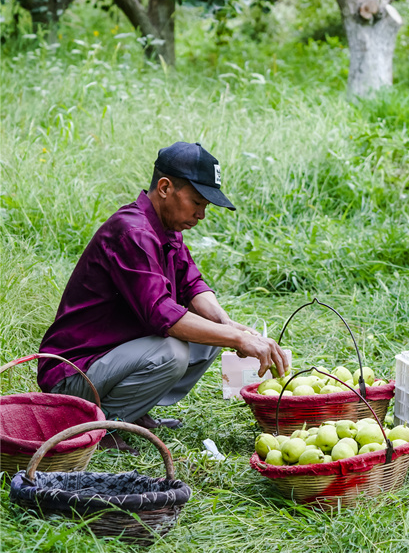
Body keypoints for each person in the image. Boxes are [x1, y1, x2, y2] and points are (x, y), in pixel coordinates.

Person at [37, 142, 289, 454]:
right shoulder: (132, 232)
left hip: (111, 360)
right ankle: (103, 423)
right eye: (196, 202)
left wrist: (231, 328)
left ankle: (133, 411)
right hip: (73, 375)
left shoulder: (166, 230)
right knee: (172, 351)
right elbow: (162, 315)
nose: (201, 214)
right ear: (166, 187)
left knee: (212, 334)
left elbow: (193, 285)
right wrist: (237, 340)